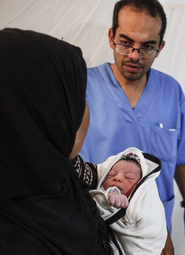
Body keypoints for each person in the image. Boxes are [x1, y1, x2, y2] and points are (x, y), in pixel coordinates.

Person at [80, 0, 185, 239]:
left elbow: (178, 156)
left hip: (154, 225)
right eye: (125, 43)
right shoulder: (83, 87)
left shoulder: (171, 91)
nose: (135, 56)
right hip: (95, 222)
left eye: (147, 47)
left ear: (160, 47)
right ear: (111, 36)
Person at [0, 28, 112, 254]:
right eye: (79, 98)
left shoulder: (56, 171)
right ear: (44, 115)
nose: (86, 110)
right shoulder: (19, 241)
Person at [90, 147, 167, 255]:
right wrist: (108, 195)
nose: (117, 178)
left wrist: (108, 200)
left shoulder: (144, 203)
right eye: (111, 175)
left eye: (129, 178)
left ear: (140, 187)